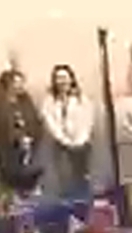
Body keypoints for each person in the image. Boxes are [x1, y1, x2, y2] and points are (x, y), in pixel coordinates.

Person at [39, 65, 93, 198]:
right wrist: (65, 141)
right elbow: (50, 123)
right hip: (61, 146)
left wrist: (79, 141)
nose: (62, 81)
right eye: (58, 78)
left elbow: (88, 120)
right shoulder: (49, 101)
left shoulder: (82, 99)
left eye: (64, 77)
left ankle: (83, 210)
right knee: (65, 179)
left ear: (71, 79)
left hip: (82, 145)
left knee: (82, 179)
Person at [0, 68, 42, 194]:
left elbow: (35, 121)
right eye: (17, 82)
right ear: (8, 84)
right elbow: (2, 127)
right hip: (8, 152)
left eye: (22, 82)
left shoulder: (26, 100)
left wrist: (30, 137)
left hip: (30, 149)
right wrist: (18, 138)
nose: (21, 85)